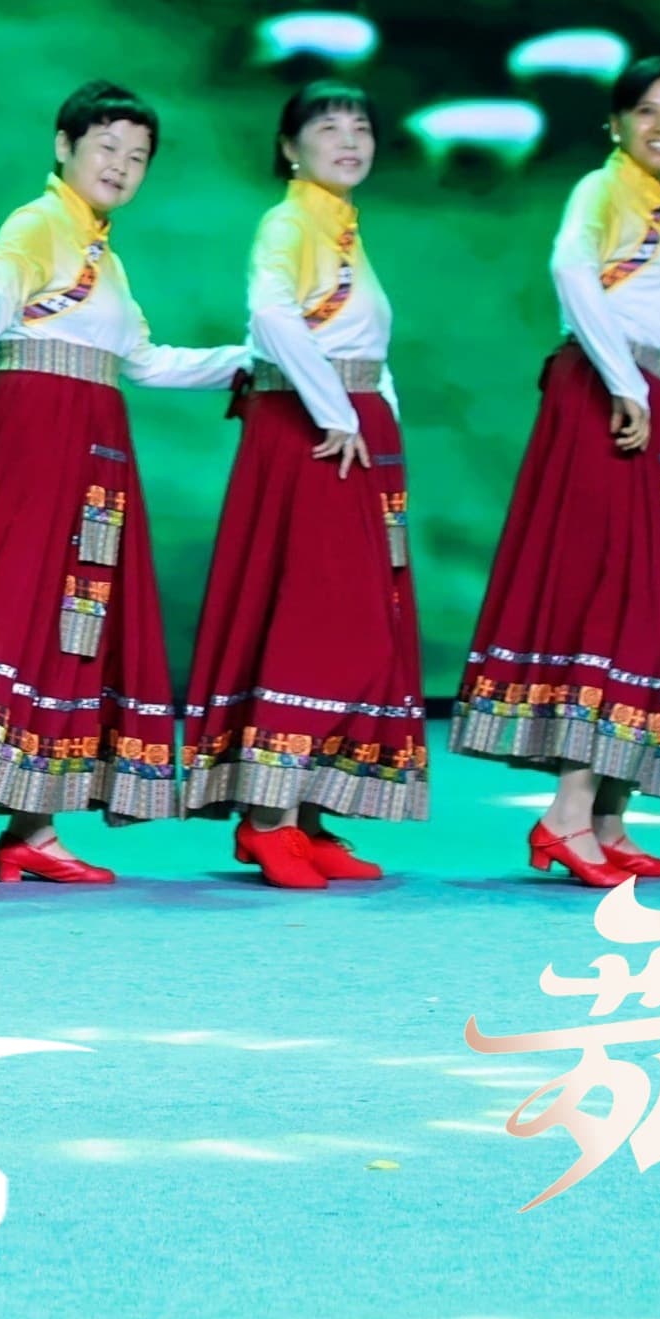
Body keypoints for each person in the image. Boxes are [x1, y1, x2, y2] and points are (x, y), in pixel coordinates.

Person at [0, 81, 246, 893]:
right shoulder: (37, 222)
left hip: (93, 442)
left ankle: (30, 825)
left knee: (72, 618)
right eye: (105, 147)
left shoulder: (104, 257)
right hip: (35, 429)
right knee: (6, 606)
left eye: (136, 157)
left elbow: (144, 361)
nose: (120, 166)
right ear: (63, 146)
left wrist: (248, 360)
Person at [452, 54, 660, 886]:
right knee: (611, 590)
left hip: (650, 399)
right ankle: (565, 816)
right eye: (646, 111)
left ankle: (607, 815)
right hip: (602, 394)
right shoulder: (600, 189)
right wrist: (623, 381)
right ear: (615, 123)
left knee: (654, 602)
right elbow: (568, 269)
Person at [182, 81, 425, 889]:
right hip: (315, 435)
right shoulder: (287, 224)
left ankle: (309, 814)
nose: (348, 139)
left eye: (361, 126)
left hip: (354, 437)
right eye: (327, 127)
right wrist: (335, 412)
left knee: (364, 619)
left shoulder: (342, 231)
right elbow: (271, 316)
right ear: (289, 147)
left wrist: (381, 438)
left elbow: (370, 354)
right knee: (316, 618)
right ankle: (266, 819)